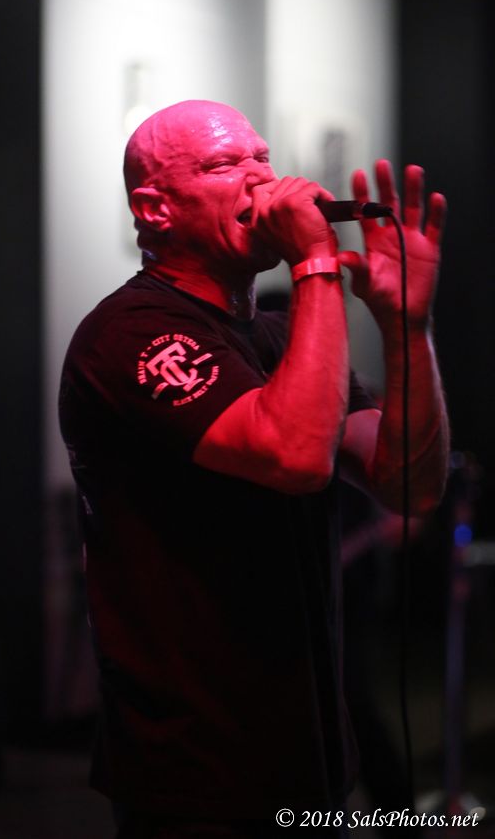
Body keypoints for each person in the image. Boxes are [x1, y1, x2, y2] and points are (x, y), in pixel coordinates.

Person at [58, 100, 449, 837]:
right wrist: (315, 262)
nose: (261, 179)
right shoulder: (130, 334)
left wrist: (407, 327)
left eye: (262, 159)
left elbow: (410, 482)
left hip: (308, 753)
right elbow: (293, 456)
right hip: (196, 773)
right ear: (155, 208)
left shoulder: (279, 336)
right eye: (223, 164)